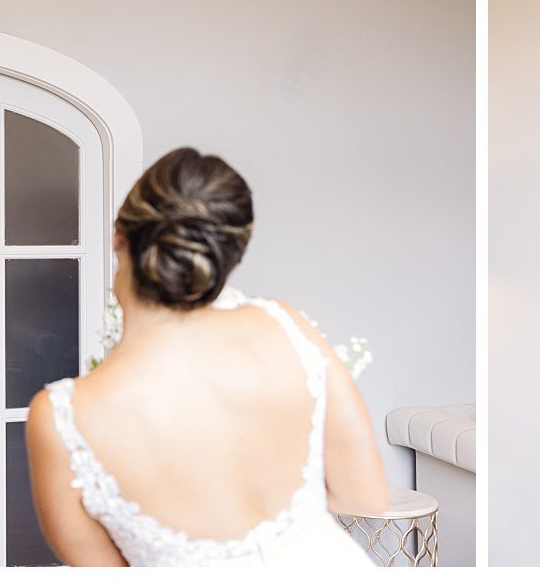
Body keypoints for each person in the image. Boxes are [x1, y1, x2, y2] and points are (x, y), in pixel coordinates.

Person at [24, 147, 387, 566]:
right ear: (230, 255)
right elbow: (366, 495)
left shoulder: (63, 416)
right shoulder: (285, 327)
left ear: (118, 239)